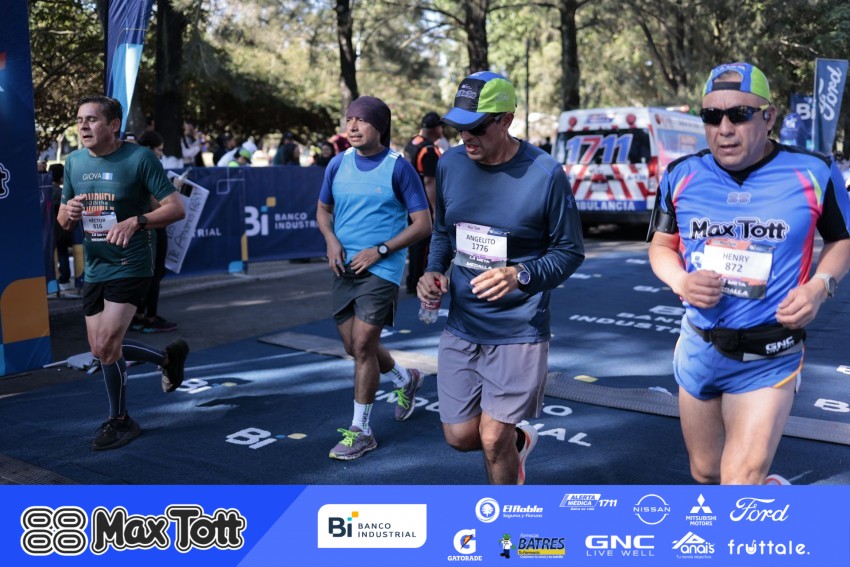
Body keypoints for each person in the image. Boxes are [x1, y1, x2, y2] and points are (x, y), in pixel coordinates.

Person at [647, 62, 850, 485]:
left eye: (739, 114)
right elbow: (661, 246)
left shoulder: (815, 171)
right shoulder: (680, 174)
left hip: (769, 353)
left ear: (768, 117)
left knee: (738, 479)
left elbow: (841, 240)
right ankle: (769, 492)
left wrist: (819, 287)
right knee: (705, 472)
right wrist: (681, 281)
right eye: (711, 116)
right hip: (699, 346)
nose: (724, 129)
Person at [417, 71, 585, 484]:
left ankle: (506, 517)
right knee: (460, 438)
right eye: (459, 128)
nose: (466, 137)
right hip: (462, 324)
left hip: (518, 330)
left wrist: (520, 275)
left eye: (477, 128)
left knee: (493, 439)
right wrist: (434, 269)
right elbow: (443, 231)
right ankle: (518, 443)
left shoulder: (545, 173)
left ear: (507, 119)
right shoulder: (451, 164)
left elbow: (569, 251)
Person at [57, 95, 190, 451]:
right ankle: (167, 358)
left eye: (91, 119)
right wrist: (69, 212)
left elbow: (176, 209)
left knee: (106, 345)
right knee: (100, 349)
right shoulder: (73, 162)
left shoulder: (140, 158)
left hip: (131, 262)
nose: (83, 126)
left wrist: (137, 221)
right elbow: (63, 219)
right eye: (79, 120)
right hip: (96, 265)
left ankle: (121, 420)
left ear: (113, 125)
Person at [316, 95, 432, 460]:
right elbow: (322, 210)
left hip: (381, 269)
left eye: (361, 120)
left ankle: (361, 431)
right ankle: (405, 378)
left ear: (379, 126)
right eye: (349, 118)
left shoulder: (400, 168)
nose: (352, 126)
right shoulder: (337, 163)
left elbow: (423, 224)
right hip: (343, 267)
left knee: (364, 345)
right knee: (354, 347)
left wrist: (380, 250)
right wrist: (331, 240)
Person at [133, 130, 178, 333]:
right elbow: (158, 204)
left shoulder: (131, 163)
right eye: (159, 150)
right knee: (154, 273)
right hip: (152, 225)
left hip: (138, 225)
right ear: (149, 149)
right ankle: (149, 317)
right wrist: (173, 191)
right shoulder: (150, 164)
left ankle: (139, 315)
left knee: (145, 274)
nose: (161, 154)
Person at [402, 112, 443, 294]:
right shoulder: (429, 150)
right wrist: (434, 209)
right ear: (436, 129)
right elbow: (429, 181)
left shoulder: (412, 142)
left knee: (414, 244)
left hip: (409, 200)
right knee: (424, 244)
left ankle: (412, 281)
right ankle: (419, 282)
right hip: (423, 204)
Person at [49, 163, 74, 292]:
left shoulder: (44, 191)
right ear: (61, 178)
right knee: (62, 253)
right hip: (61, 230)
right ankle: (64, 278)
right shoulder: (61, 193)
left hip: (50, 230)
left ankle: (54, 281)